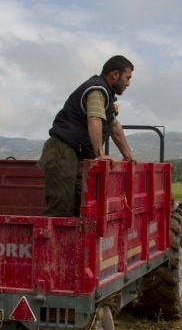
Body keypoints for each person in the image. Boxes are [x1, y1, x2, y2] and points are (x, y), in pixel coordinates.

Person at [37, 55, 136, 217]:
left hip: (73, 153)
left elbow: (113, 126)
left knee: (80, 206)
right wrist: (100, 155)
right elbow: (94, 119)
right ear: (115, 74)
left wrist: (128, 156)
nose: (128, 83)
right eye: (127, 77)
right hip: (62, 150)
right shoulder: (97, 90)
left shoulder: (107, 95)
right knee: (60, 210)